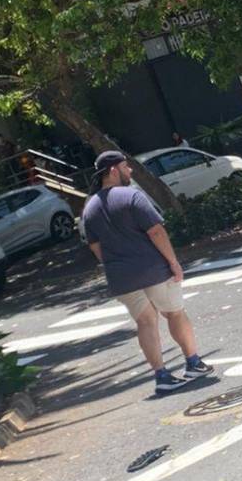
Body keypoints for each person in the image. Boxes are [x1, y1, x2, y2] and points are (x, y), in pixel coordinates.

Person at [82, 151, 214, 393]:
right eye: (126, 166)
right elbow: (156, 231)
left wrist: (115, 263)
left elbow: (95, 246)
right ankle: (193, 362)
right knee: (175, 313)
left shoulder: (89, 207)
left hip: (121, 277)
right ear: (113, 170)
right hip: (153, 269)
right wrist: (173, 262)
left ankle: (162, 376)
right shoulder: (132, 196)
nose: (130, 171)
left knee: (145, 322)